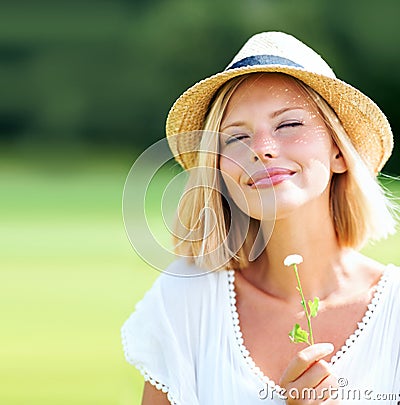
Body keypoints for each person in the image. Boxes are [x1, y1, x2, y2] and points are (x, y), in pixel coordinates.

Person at [121, 32, 400, 404]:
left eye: (288, 125)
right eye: (236, 137)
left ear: (338, 152)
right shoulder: (186, 301)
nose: (262, 150)